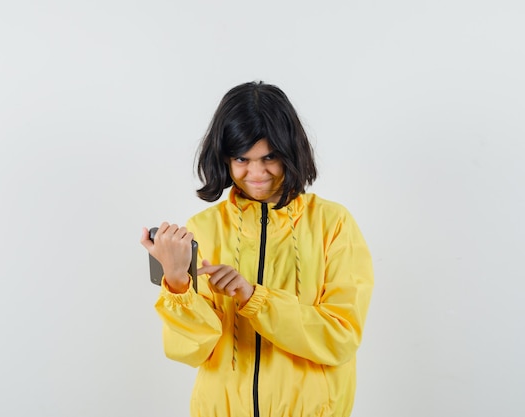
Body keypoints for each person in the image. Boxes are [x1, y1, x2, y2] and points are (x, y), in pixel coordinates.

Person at [140, 81, 374, 417]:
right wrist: (178, 284)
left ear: (290, 151)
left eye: (269, 157)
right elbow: (190, 351)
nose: (256, 173)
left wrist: (254, 298)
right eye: (241, 158)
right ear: (224, 157)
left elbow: (340, 336)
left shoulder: (333, 224)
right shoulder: (204, 227)